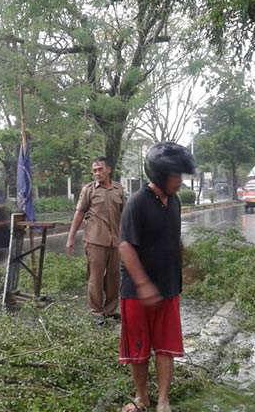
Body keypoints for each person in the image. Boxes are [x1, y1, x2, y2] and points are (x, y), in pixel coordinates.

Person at [118, 141, 195, 412]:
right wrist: (143, 284)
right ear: (160, 176)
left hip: (168, 287)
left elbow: (173, 239)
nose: (180, 182)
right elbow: (125, 246)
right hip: (137, 293)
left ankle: (163, 400)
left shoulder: (174, 202)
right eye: (177, 176)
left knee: (166, 347)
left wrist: (187, 265)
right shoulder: (137, 203)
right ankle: (142, 397)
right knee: (139, 351)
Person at [66, 157, 125, 326]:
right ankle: (96, 312)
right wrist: (70, 239)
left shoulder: (118, 189)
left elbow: (123, 215)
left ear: (109, 170)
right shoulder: (89, 190)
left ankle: (111, 310)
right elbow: (79, 214)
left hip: (115, 241)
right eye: (94, 170)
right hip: (95, 240)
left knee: (114, 276)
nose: (97, 173)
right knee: (96, 277)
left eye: (100, 169)